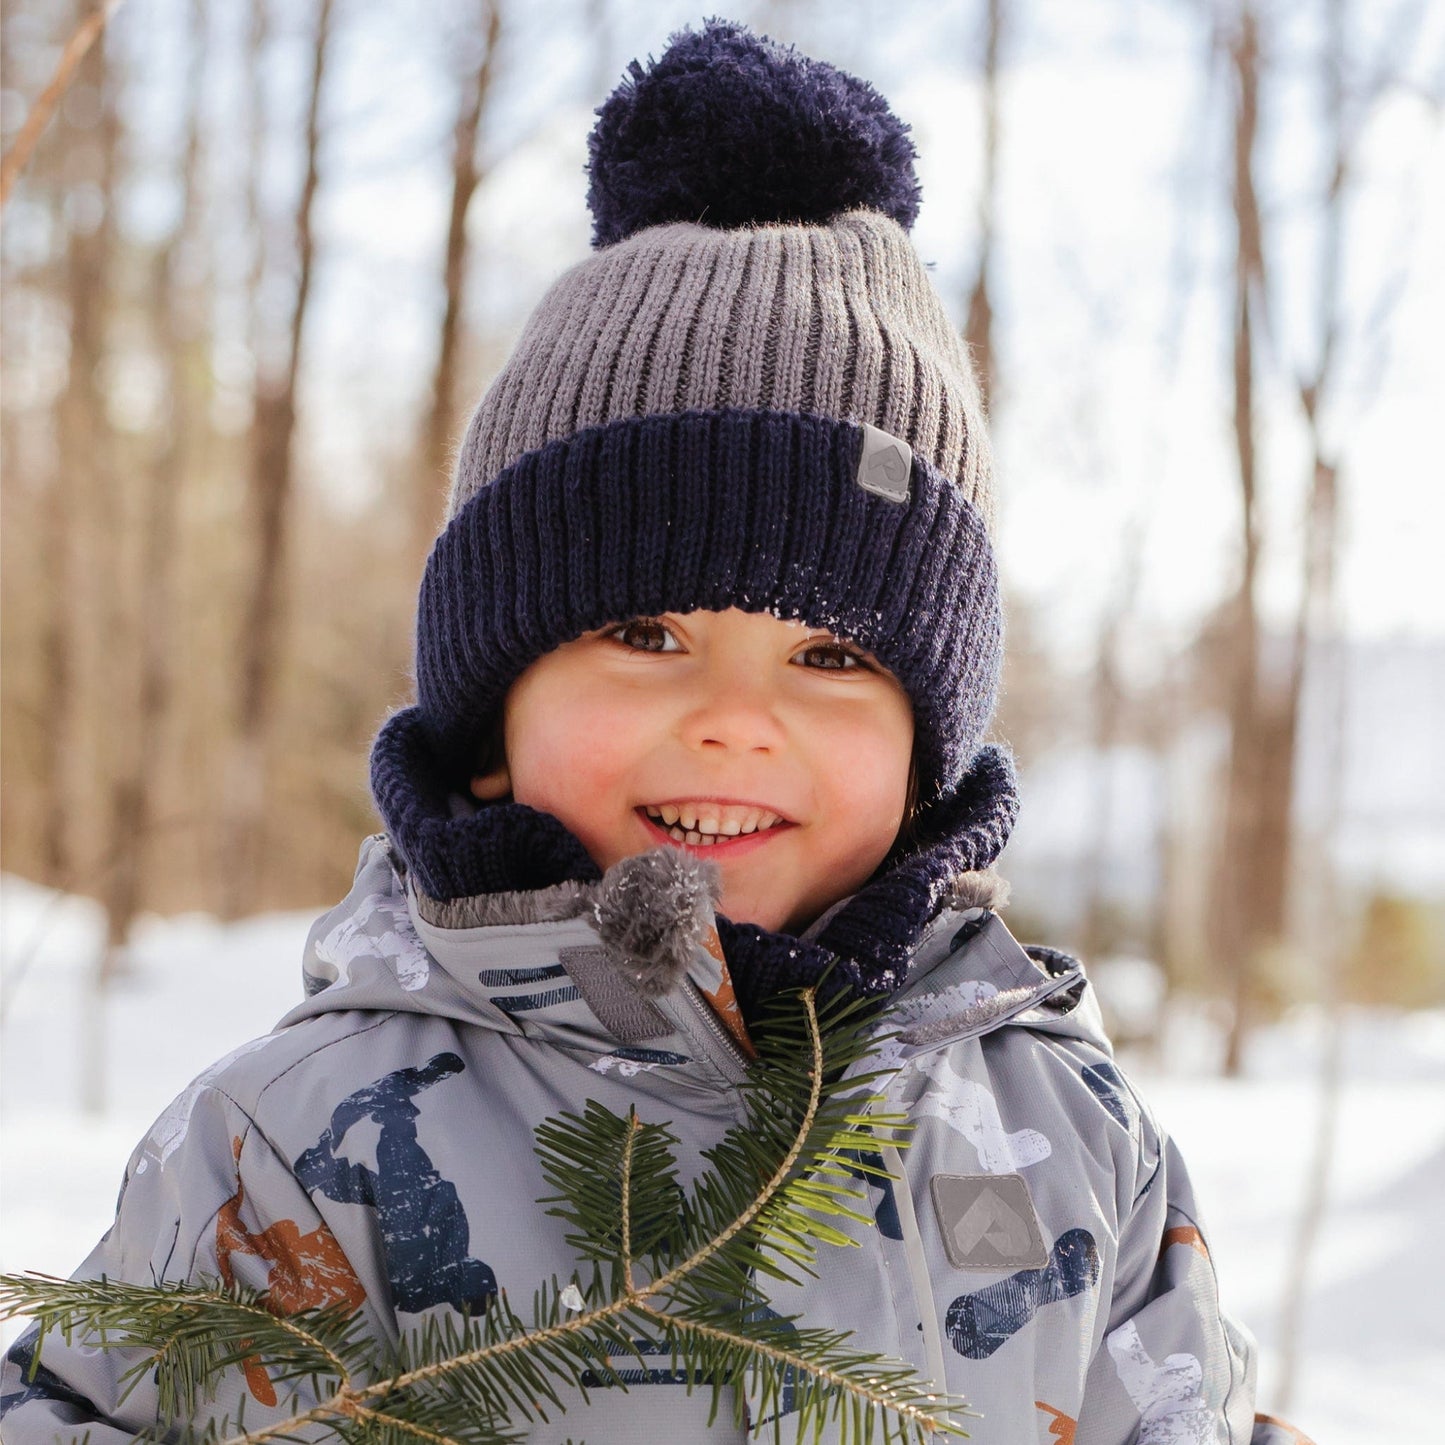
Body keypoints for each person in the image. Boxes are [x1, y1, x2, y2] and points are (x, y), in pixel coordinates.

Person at [1, 20, 1309, 1444]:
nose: (735, 720)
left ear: (929, 743)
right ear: (490, 709)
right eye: (646, 635)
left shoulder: (1063, 1123)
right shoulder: (300, 1138)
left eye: (827, 653)